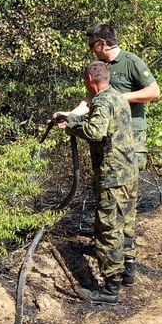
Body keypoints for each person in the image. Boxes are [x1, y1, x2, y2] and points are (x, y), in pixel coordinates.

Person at [61, 23, 161, 287]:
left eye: (92, 45)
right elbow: (89, 101)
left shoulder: (130, 62)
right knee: (121, 210)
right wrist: (70, 116)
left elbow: (154, 92)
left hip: (126, 146)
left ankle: (115, 272)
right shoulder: (101, 75)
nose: (91, 51)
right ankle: (123, 265)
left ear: (102, 44)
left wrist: (115, 99)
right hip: (114, 148)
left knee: (116, 213)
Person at [54, 61, 137, 304]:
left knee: (108, 227)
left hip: (112, 174)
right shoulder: (118, 97)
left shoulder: (101, 101)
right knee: (127, 220)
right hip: (128, 170)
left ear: (90, 79)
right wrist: (72, 119)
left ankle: (109, 290)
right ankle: (127, 272)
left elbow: (96, 132)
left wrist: (70, 124)